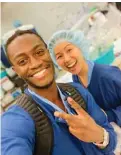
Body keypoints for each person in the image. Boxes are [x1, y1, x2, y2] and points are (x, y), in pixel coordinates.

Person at [1, 26, 116, 155]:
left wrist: (100, 135)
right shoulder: (16, 119)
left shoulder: (77, 91)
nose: (35, 64)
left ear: (49, 53)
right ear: (16, 71)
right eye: (22, 61)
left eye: (39, 52)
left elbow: (111, 138)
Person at [48, 30, 121, 127]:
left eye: (69, 50)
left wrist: (108, 115)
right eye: (59, 56)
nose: (66, 59)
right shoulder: (76, 78)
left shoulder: (107, 76)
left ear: (80, 47)